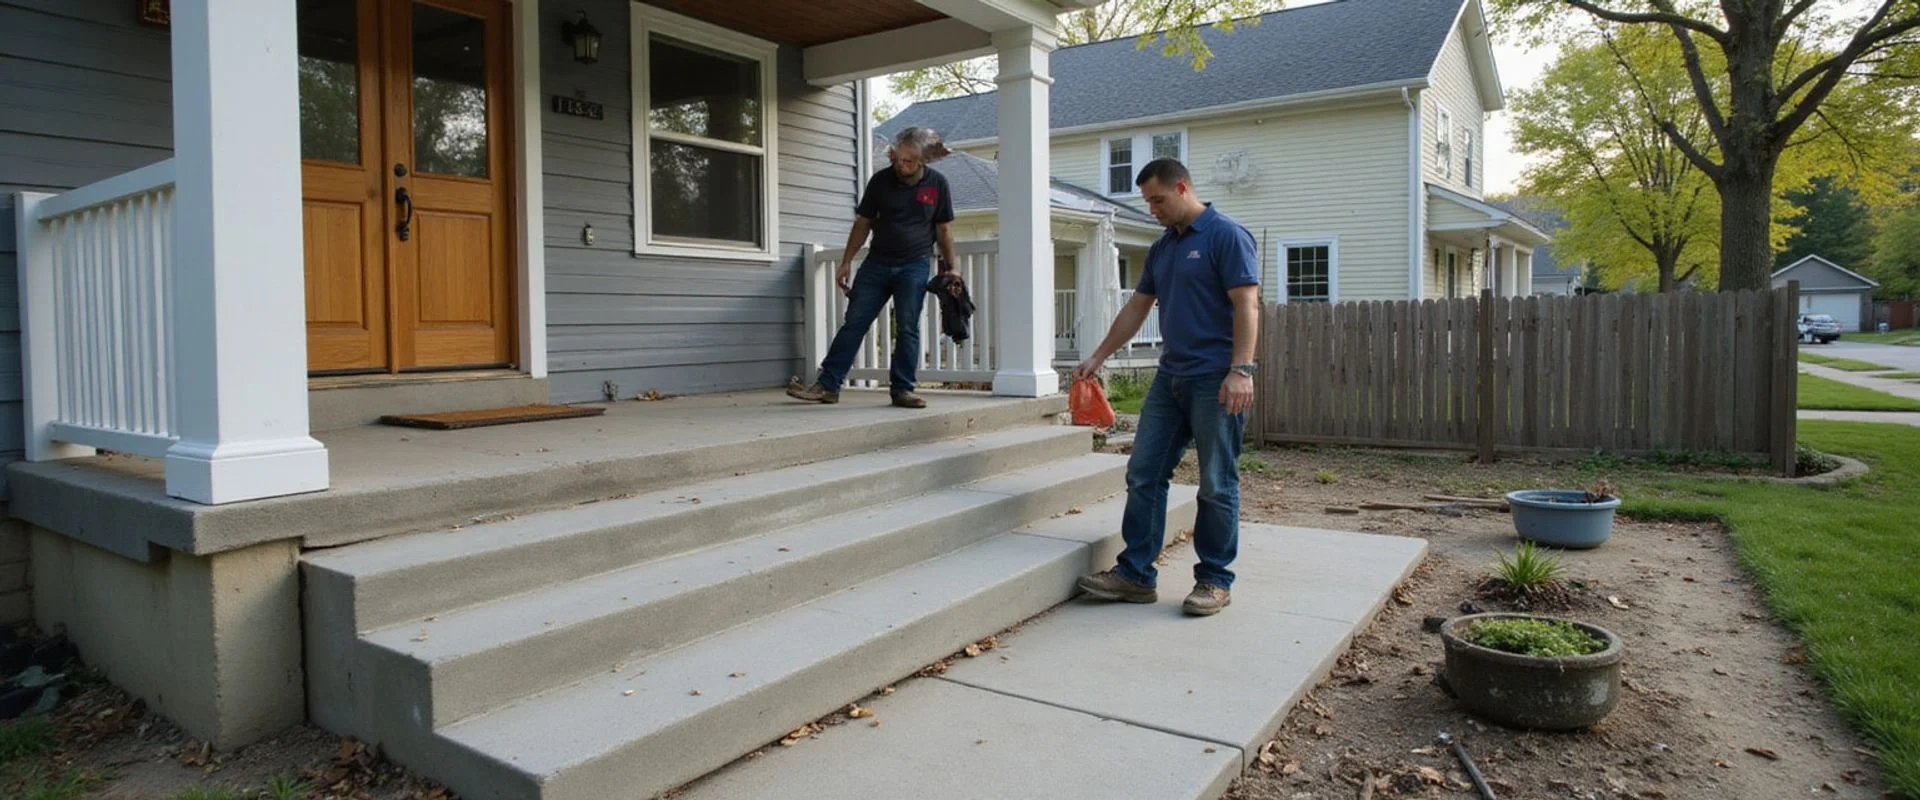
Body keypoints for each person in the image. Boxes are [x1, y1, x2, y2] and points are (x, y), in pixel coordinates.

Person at [1071, 158, 1261, 617]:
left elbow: (1247, 304)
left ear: (1181, 188)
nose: (1152, 209)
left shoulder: (1226, 236)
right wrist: (1099, 355)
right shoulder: (1162, 248)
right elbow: (1137, 308)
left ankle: (1214, 579)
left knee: (1216, 483)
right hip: (1170, 378)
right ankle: (1136, 575)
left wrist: (1242, 370)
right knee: (1144, 472)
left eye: (1157, 200)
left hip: (1216, 379)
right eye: (1147, 202)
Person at [788, 127, 958, 409]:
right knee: (854, 322)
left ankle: (902, 390)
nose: (900, 165)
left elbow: (943, 229)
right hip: (877, 264)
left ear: (923, 160)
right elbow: (862, 223)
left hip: (914, 265)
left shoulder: (937, 184)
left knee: (908, 327)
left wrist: (952, 268)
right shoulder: (880, 181)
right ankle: (827, 386)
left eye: (908, 161)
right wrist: (846, 261)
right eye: (897, 158)